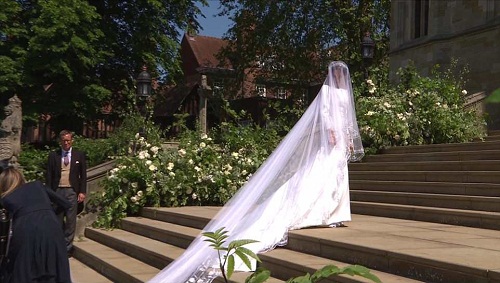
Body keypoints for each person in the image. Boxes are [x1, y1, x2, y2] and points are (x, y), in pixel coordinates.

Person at [148, 61, 364, 283]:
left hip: (341, 140)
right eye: (337, 72)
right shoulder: (326, 90)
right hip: (330, 138)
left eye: (342, 73)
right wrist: (331, 132)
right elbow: (325, 113)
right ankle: (319, 210)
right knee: (322, 172)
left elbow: (347, 119)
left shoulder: (346, 94)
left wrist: (347, 138)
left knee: (337, 173)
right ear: (332, 73)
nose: (339, 75)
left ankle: (335, 213)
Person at [0, 166, 71, 283]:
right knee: (56, 267)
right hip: (52, 228)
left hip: (26, 230)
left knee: (24, 270)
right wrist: (47, 212)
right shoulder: (38, 185)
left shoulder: (6, 199)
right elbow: (65, 203)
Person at [46, 129, 87, 256]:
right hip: (57, 191)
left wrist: (82, 192)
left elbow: (83, 175)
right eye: (64, 141)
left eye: (68, 140)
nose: (66, 143)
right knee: (57, 220)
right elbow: (49, 175)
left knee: (70, 221)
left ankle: (67, 248)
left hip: (71, 191)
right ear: (60, 141)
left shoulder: (79, 155)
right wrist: (49, 193)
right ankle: (58, 245)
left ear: (72, 141)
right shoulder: (54, 155)